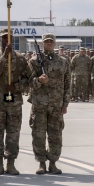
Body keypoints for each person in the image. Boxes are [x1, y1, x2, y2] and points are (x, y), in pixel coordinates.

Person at [0, 29, 30, 175]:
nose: (7, 40)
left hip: (14, 100)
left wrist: (17, 86)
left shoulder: (20, 58)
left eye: (9, 38)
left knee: (13, 133)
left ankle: (11, 163)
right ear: (0, 39)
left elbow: (27, 80)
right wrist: (4, 56)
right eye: (4, 38)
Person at [28, 33, 70, 175]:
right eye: (46, 41)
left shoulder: (63, 61)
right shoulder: (34, 61)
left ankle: (53, 163)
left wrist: (65, 103)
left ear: (55, 43)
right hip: (39, 104)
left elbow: (67, 83)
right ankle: (41, 163)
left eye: (51, 41)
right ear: (42, 44)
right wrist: (39, 80)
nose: (49, 43)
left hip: (56, 104)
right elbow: (28, 82)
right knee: (38, 134)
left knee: (55, 135)